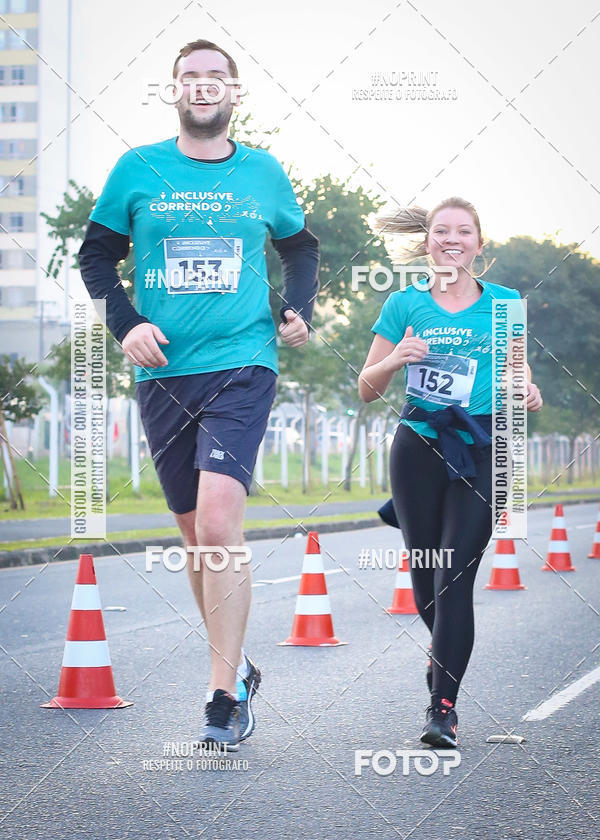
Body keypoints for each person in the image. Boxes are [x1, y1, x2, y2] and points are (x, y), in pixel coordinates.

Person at [78, 39, 319, 749]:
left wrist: (296, 306)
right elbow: (94, 254)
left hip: (243, 361)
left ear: (235, 93)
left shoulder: (264, 173)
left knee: (218, 522)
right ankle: (238, 663)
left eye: (216, 78)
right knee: (193, 534)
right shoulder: (138, 168)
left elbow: (299, 246)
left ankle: (221, 693)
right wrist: (126, 326)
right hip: (163, 371)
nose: (204, 87)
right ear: (175, 91)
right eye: (191, 78)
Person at [358, 197, 542, 748]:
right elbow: (366, 389)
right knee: (426, 577)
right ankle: (444, 660)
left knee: (455, 572)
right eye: (442, 231)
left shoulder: (506, 303)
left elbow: (519, 370)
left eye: (464, 232)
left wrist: (529, 389)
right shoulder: (403, 304)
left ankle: (443, 709)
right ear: (427, 243)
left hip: (488, 445)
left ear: (479, 245)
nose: (452, 239)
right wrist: (395, 360)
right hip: (418, 445)